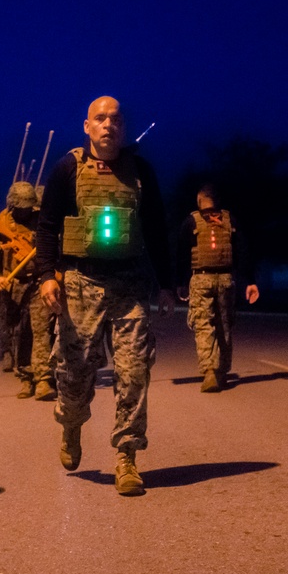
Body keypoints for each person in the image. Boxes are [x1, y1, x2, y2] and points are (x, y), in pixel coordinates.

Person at [36, 95, 174, 497]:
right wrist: (47, 276)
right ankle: (71, 424)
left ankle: (127, 458)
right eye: (100, 118)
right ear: (86, 126)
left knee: (133, 373)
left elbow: (156, 230)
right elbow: (47, 228)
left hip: (130, 285)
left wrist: (167, 284)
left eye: (115, 119)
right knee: (75, 375)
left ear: (123, 128)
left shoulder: (140, 172)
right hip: (80, 283)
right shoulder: (68, 169)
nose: (108, 125)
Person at [176, 184, 260, 392]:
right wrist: (250, 281)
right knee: (224, 324)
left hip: (201, 279)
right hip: (226, 279)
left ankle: (209, 371)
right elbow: (243, 250)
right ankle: (222, 372)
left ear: (199, 201)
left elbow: (181, 254)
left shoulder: (191, 221)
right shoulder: (230, 220)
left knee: (204, 325)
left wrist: (179, 283)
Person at [0, 182, 56, 400]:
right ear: (12, 205)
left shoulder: (40, 219)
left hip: (38, 283)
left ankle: (43, 379)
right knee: (19, 333)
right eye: (22, 207)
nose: (26, 211)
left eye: (29, 207)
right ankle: (25, 376)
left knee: (41, 329)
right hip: (12, 288)